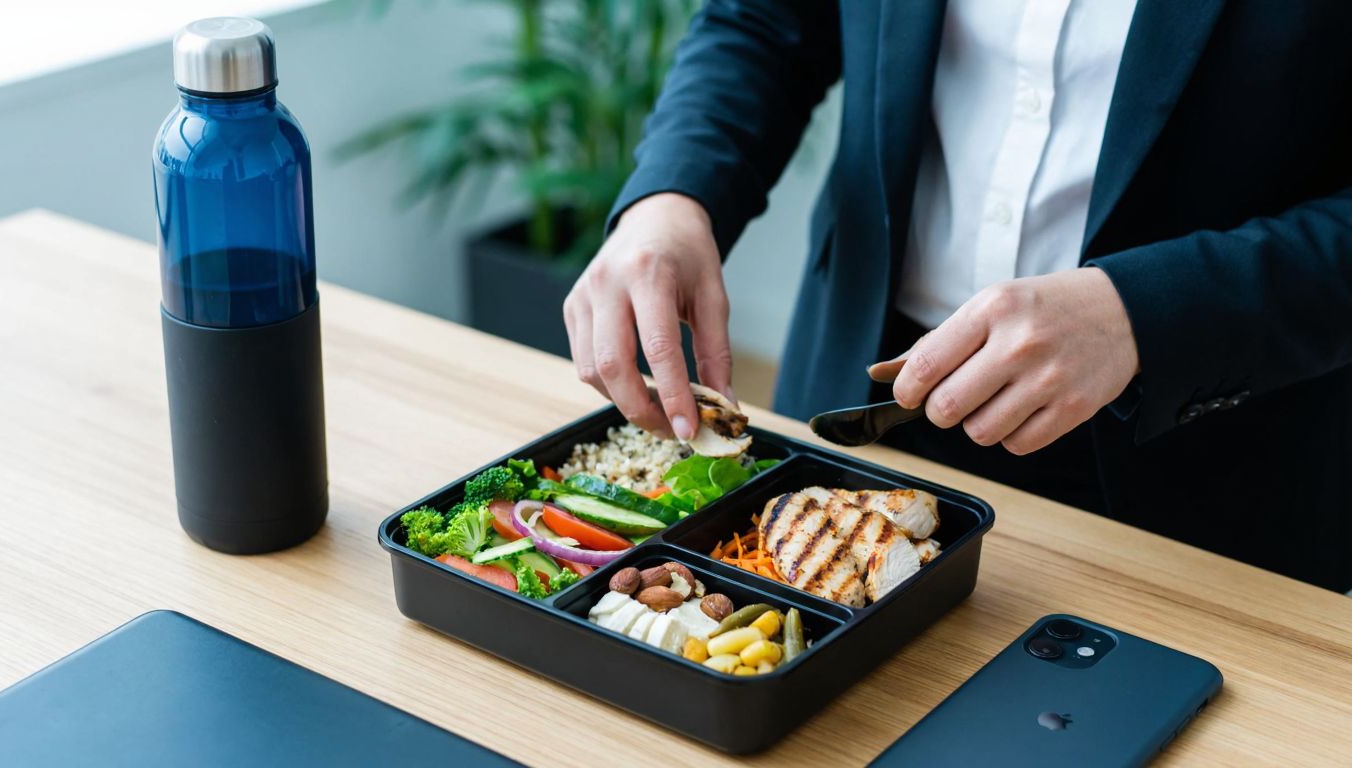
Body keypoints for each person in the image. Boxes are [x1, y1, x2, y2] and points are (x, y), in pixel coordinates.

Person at [561, 1, 1352, 592]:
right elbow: (766, 21)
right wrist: (670, 196)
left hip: (1208, 471)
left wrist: (1148, 312)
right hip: (858, 399)